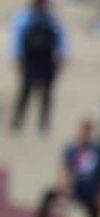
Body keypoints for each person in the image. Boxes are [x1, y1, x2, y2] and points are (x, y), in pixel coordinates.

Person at [9, 0, 69, 134]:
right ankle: (17, 122)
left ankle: (44, 124)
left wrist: (62, 56)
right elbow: (17, 38)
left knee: (47, 94)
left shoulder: (53, 19)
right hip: (30, 59)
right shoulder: (25, 18)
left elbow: (62, 38)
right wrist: (18, 57)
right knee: (25, 92)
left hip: (47, 59)